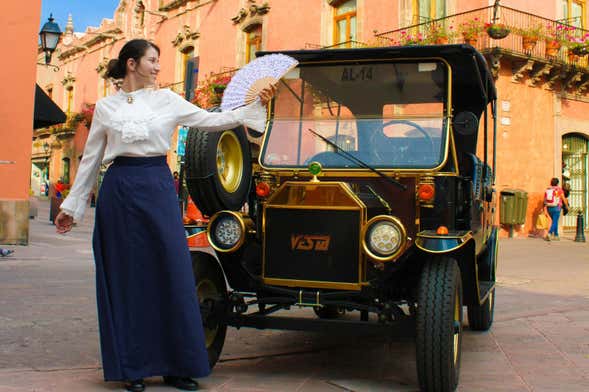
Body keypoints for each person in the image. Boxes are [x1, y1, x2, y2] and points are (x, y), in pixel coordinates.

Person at [54, 39, 276, 392]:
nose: (158, 67)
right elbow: (92, 158)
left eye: (159, 61)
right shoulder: (106, 109)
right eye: (152, 60)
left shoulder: (168, 100)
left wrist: (251, 106)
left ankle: (178, 366)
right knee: (127, 278)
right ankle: (133, 367)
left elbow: (212, 120)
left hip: (157, 186)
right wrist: (72, 207)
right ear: (131, 64)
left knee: (172, 272)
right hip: (120, 191)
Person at [543, 177, 569, 241]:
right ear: (557, 183)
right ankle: (549, 233)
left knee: (555, 221)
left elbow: (544, 200)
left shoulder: (548, 189)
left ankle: (556, 235)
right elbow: (563, 198)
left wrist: (544, 208)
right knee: (554, 221)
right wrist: (566, 206)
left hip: (549, 207)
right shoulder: (559, 190)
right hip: (557, 207)